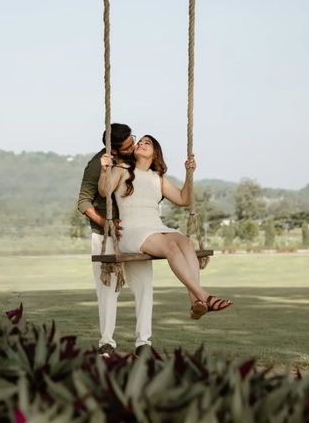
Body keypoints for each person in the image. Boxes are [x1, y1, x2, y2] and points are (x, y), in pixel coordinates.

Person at [99, 135, 233, 320]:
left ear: (155, 154)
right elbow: (104, 191)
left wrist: (189, 174)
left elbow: (183, 200)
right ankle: (204, 296)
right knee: (170, 247)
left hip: (155, 227)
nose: (141, 144)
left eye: (148, 143)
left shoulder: (158, 177)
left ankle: (196, 303)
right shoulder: (121, 170)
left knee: (185, 242)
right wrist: (105, 169)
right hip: (132, 230)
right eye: (140, 142)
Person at [77, 124, 153, 357]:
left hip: (135, 233)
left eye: (134, 141)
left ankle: (143, 343)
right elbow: (83, 202)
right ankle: (107, 342)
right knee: (108, 290)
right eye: (128, 146)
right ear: (114, 149)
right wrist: (106, 223)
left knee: (143, 286)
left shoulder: (135, 160)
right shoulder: (97, 165)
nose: (133, 147)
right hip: (105, 235)